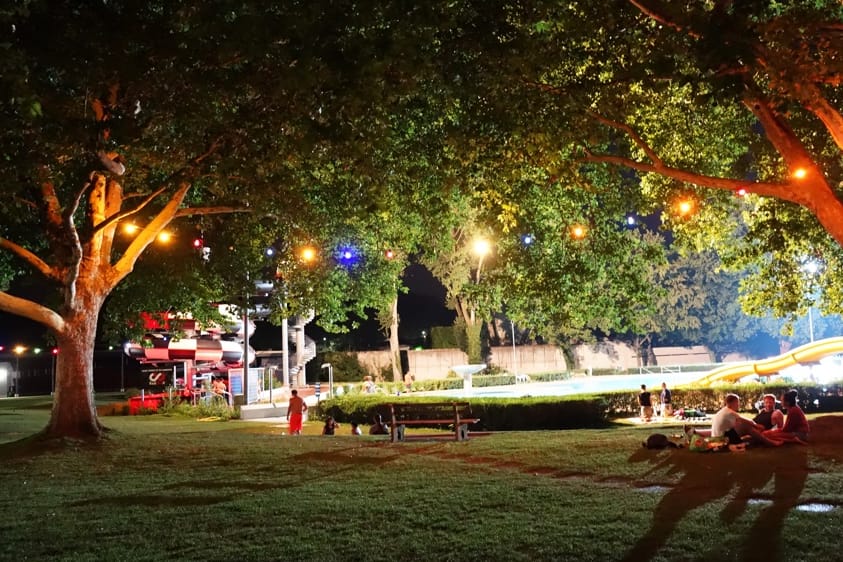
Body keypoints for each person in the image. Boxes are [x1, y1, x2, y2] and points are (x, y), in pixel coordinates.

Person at [688, 393, 780, 447]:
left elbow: (778, 425)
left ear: (774, 403)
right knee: (744, 426)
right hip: (724, 439)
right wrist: (752, 424)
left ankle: (695, 432)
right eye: (766, 402)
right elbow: (749, 421)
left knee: (745, 426)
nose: (768, 404)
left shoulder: (776, 412)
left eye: (770, 402)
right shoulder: (762, 411)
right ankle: (770, 443)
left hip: (753, 429)